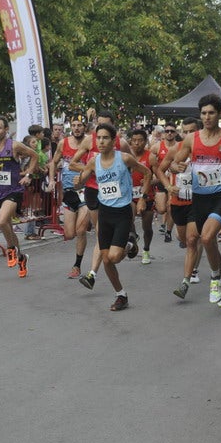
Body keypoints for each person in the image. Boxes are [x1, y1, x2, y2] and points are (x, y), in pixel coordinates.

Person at [167, 94, 221, 308]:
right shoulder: (192, 139)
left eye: (211, 112)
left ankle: (214, 279)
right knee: (209, 241)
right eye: (203, 113)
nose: (207, 117)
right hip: (199, 197)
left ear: (219, 114)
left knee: (207, 237)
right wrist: (178, 167)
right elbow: (174, 164)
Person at [73, 123, 151, 311]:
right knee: (106, 259)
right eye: (98, 138)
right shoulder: (93, 161)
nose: (101, 141)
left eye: (105, 137)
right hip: (105, 213)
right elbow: (81, 183)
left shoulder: (124, 158)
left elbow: (147, 173)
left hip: (123, 213)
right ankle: (121, 295)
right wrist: (78, 182)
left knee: (115, 257)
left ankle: (129, 245)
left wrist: (142, 199)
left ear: (113, 140)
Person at [68, 110, 131, 290]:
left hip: (118, 197)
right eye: (98, 124)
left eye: (106, 125)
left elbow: (132, 166)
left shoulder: (122, 144)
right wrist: (95, 168)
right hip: (94, 190)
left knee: (107, 237)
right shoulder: (90, 140)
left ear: (113, 128)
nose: (100, 131)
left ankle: (94, 271)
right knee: (98, 232)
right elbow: (73, 163)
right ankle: (93, 273)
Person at [0, 115, 39, 278]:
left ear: (6, 130)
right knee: (8, 228)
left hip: (14, 191)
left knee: (1, 220)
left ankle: (10, 249)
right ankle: (21, 257)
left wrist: (29, 175)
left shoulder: (14, 146)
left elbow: (34, 156)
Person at [156, 117, 204, 298]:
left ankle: (188, 277)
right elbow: (160, 169)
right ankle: (194, 260)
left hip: (197, 202)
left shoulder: (205, 151)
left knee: (192, 240)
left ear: (198, 132)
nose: (187, 135)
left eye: (191, 131)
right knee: (183, 238)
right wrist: (168, 186)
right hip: (178, 201)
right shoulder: (176, 149)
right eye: (184, 131)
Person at [48, 114, 90, 278]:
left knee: (80, 231)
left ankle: (77, 266)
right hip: (69, 193)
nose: (77, 128)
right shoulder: (63, 143)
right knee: (69, 234)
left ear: (84, 127)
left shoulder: (90, 144)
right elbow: (53, 162)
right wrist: (52, 179)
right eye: (74, 125)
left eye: (80, 125)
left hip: (86, 192)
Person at [128, 129, 158, 264]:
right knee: (128, 218)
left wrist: (150, 181)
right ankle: (133, 236)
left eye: (140, 140)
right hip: (130, 195)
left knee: (147, 227)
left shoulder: (150, 157)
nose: (136, 143)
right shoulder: (126, 156)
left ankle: (146, 249)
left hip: (147, 196)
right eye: (134, 140)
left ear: (145, 141)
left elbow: (159, 177)